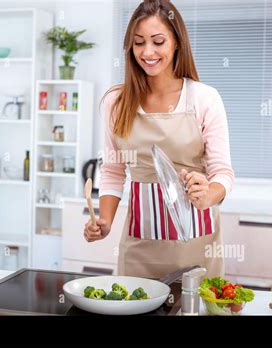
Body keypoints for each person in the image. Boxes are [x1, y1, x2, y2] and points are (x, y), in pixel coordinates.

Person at [83, 0, 234, 279]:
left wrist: (208, 195)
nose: (147, 52)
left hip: (197, 247)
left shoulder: (203, 98)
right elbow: (114, 170)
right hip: (140, 249)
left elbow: (222, 172)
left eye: (158, 41)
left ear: (177, 42)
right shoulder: (116, 102)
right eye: (139, 43)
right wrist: (104, 221)